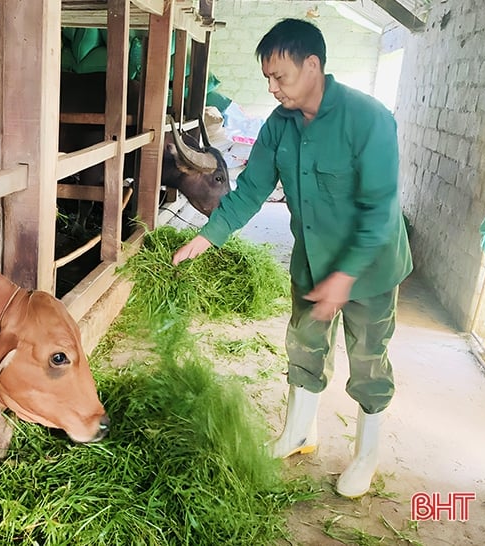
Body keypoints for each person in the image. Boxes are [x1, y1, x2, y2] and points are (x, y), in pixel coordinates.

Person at [172, 18, 412, 498]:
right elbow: (252, 189)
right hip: (311, 262)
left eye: (279, 76)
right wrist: (208, 236)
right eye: (266, 77)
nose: (272, 86)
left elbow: (379, 210)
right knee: (304, 347)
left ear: (313, 65)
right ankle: (299, 433)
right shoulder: (278, 126)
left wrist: (344, 279)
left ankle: (365, 455)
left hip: (370, 266)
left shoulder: (369, 119)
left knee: (368, 359)